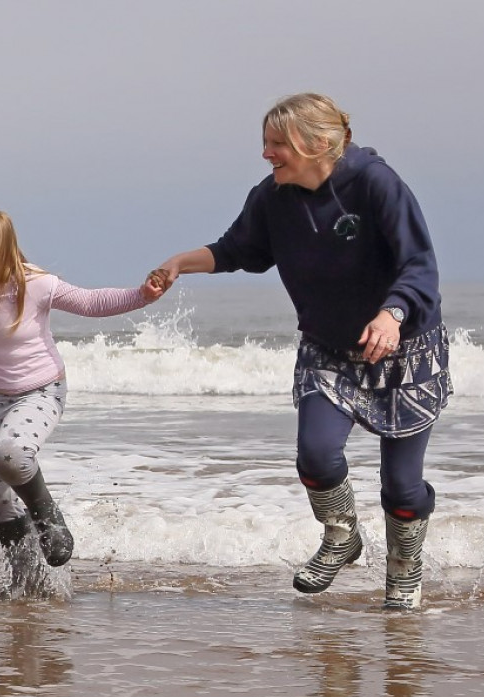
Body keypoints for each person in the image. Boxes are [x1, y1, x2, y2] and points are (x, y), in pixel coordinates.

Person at [151, 93, 448, 610]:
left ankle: (404, 567)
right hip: (329, 347)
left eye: (277, 144)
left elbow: (418, 264)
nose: (267, 154)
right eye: (265, 143)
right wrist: (179, 262)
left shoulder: (377, 183)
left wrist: (392, 313)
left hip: (402, 350)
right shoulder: (271, 198)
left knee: (401, 487)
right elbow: (237, 250)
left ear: (318, 144)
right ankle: (341, 535)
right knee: (315, 452)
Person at [0, 206, 165, 592]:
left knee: (11, 455)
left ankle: (49, 518)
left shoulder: (33, 283)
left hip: (42, 390)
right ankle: (29, 584)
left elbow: (90, 303)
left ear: (0, 256)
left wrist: (142, 295)